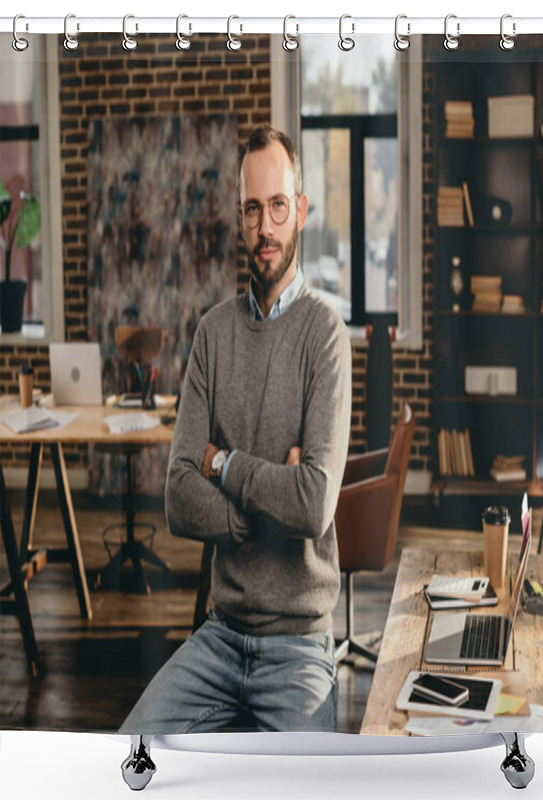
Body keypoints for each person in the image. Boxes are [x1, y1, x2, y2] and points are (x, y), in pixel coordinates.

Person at [120, 124, 352, 735]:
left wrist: (221, 466)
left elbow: (313, 505)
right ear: (239, 219)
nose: (266, 226)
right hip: (220, 637)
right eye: (253, 209)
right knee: (124, 759)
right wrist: (269, 492)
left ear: (300, 210)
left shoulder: (325, 334)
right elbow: (176, 496)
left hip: (300, 646)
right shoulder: (213, 334)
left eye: (278, 206)